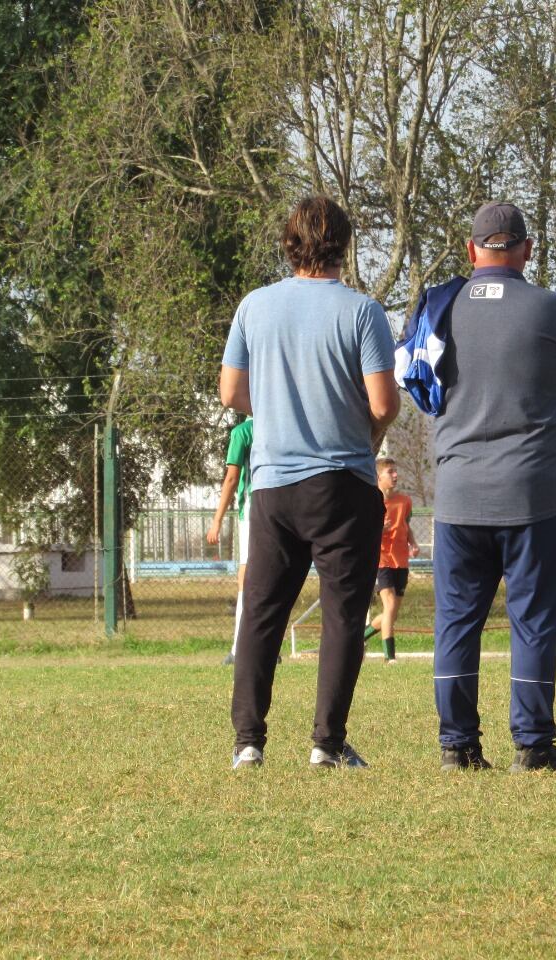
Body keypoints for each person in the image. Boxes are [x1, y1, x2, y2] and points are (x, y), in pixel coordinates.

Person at [220, 195, 399, 771]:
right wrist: (365, 433)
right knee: (343, 614)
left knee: (262, 612)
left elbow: (230, 395)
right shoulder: (362, 312)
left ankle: (248, 741)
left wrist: (270, 412)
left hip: (272, 486)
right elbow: (383, 402)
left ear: (288, 243)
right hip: (342, 483)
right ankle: (326, 742)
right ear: (344, 246)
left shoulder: (254, 306)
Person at [427, 202, 556, 773]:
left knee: (455, 621)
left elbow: (418, 381)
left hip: (457, 497)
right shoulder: (555, 308)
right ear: (525, 249)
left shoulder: (434, 309)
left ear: (471, 251)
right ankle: (534, 744)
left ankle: (458, 746)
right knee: (534, 621)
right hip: (534, 496)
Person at [362, 457, 420, 662]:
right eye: (390, 472)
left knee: (392, 614)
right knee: (388, 607)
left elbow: (405, 524)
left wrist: (413, 543)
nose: (395, 476)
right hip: (381, 561)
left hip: (401, 561)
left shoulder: (405, 501)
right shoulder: (370, 500)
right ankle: (390, 658)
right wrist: (378, 529)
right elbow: (359, 533)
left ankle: (359, 640)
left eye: (396, 471)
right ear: (379, 476)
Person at [206, 415, 253, 666]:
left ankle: (239, 648)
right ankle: (270, 645)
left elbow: (232, 478)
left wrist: (217, 520)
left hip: (256, 510)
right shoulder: (281, 422)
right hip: (288, 509)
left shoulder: (243, 431)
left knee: (246, 578)